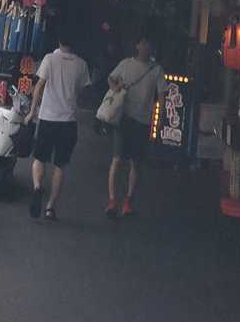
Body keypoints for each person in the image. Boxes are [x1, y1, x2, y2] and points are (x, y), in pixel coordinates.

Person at [28, 30, 90, 222]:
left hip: (47, 118)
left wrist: (32, 111)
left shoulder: (49, 59)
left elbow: (39, 86)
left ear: (59, 40)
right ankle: (50, 208)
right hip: (68, 121)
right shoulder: (81, 64)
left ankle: (37, 187)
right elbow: (82, 91)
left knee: (39, 159)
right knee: (60, 165)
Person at [105, 34, 165, 219]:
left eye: (149, 44)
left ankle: (128, 202)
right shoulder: (126, 64)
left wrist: (159, 119)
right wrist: (115, 88)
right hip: (123, 117)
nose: (146, 47)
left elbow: (161, 96)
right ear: (137, 45)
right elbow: (110, 78)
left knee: (136, 163)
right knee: (117, 159)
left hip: (143, 120)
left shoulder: (156, 70)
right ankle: (112, 201)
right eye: (143, 43)